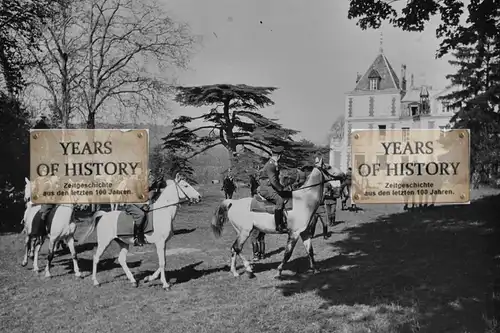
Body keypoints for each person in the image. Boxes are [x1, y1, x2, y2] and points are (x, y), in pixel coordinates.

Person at [257, 146, 287, 232]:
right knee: (280, 200)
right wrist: (280, 188)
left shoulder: (273, 163)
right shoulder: (271, 165)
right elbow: (273, 180)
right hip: (266, 188)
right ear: (279, 156)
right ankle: (278, 225)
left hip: (269, 187)